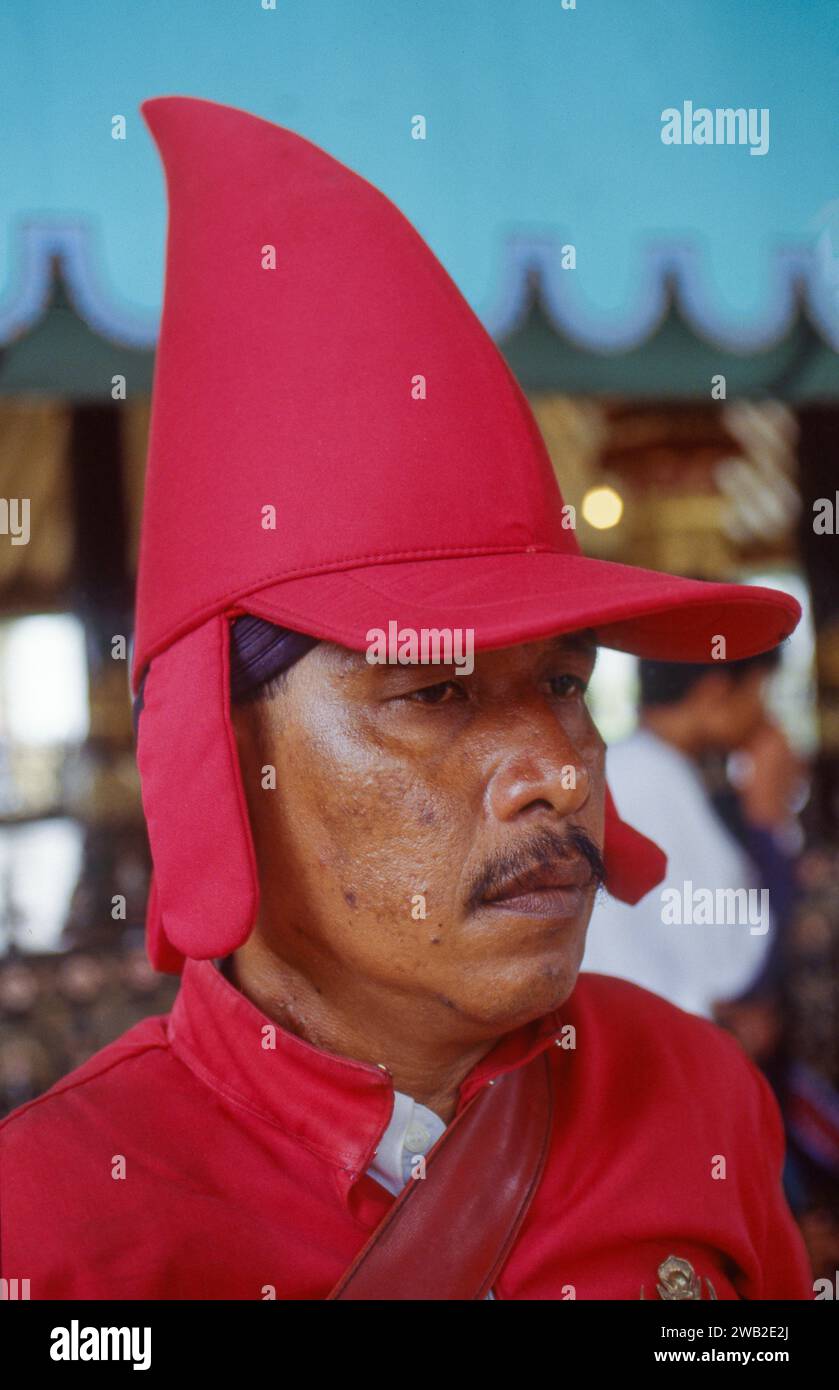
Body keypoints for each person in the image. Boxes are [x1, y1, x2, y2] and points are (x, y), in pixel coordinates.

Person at [0, 95, 812, 1300]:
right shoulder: (56, 1223)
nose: (559, 765)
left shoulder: (695, 1098)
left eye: (566, 681)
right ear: (216, 754)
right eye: (433, 689)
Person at [582, 651, 793, 1018]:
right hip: (651, 1038)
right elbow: (735, 970)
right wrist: (767, 819)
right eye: (761, 691)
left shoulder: (644, 767)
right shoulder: (652, 781)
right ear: (715, 693)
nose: (767, 716)